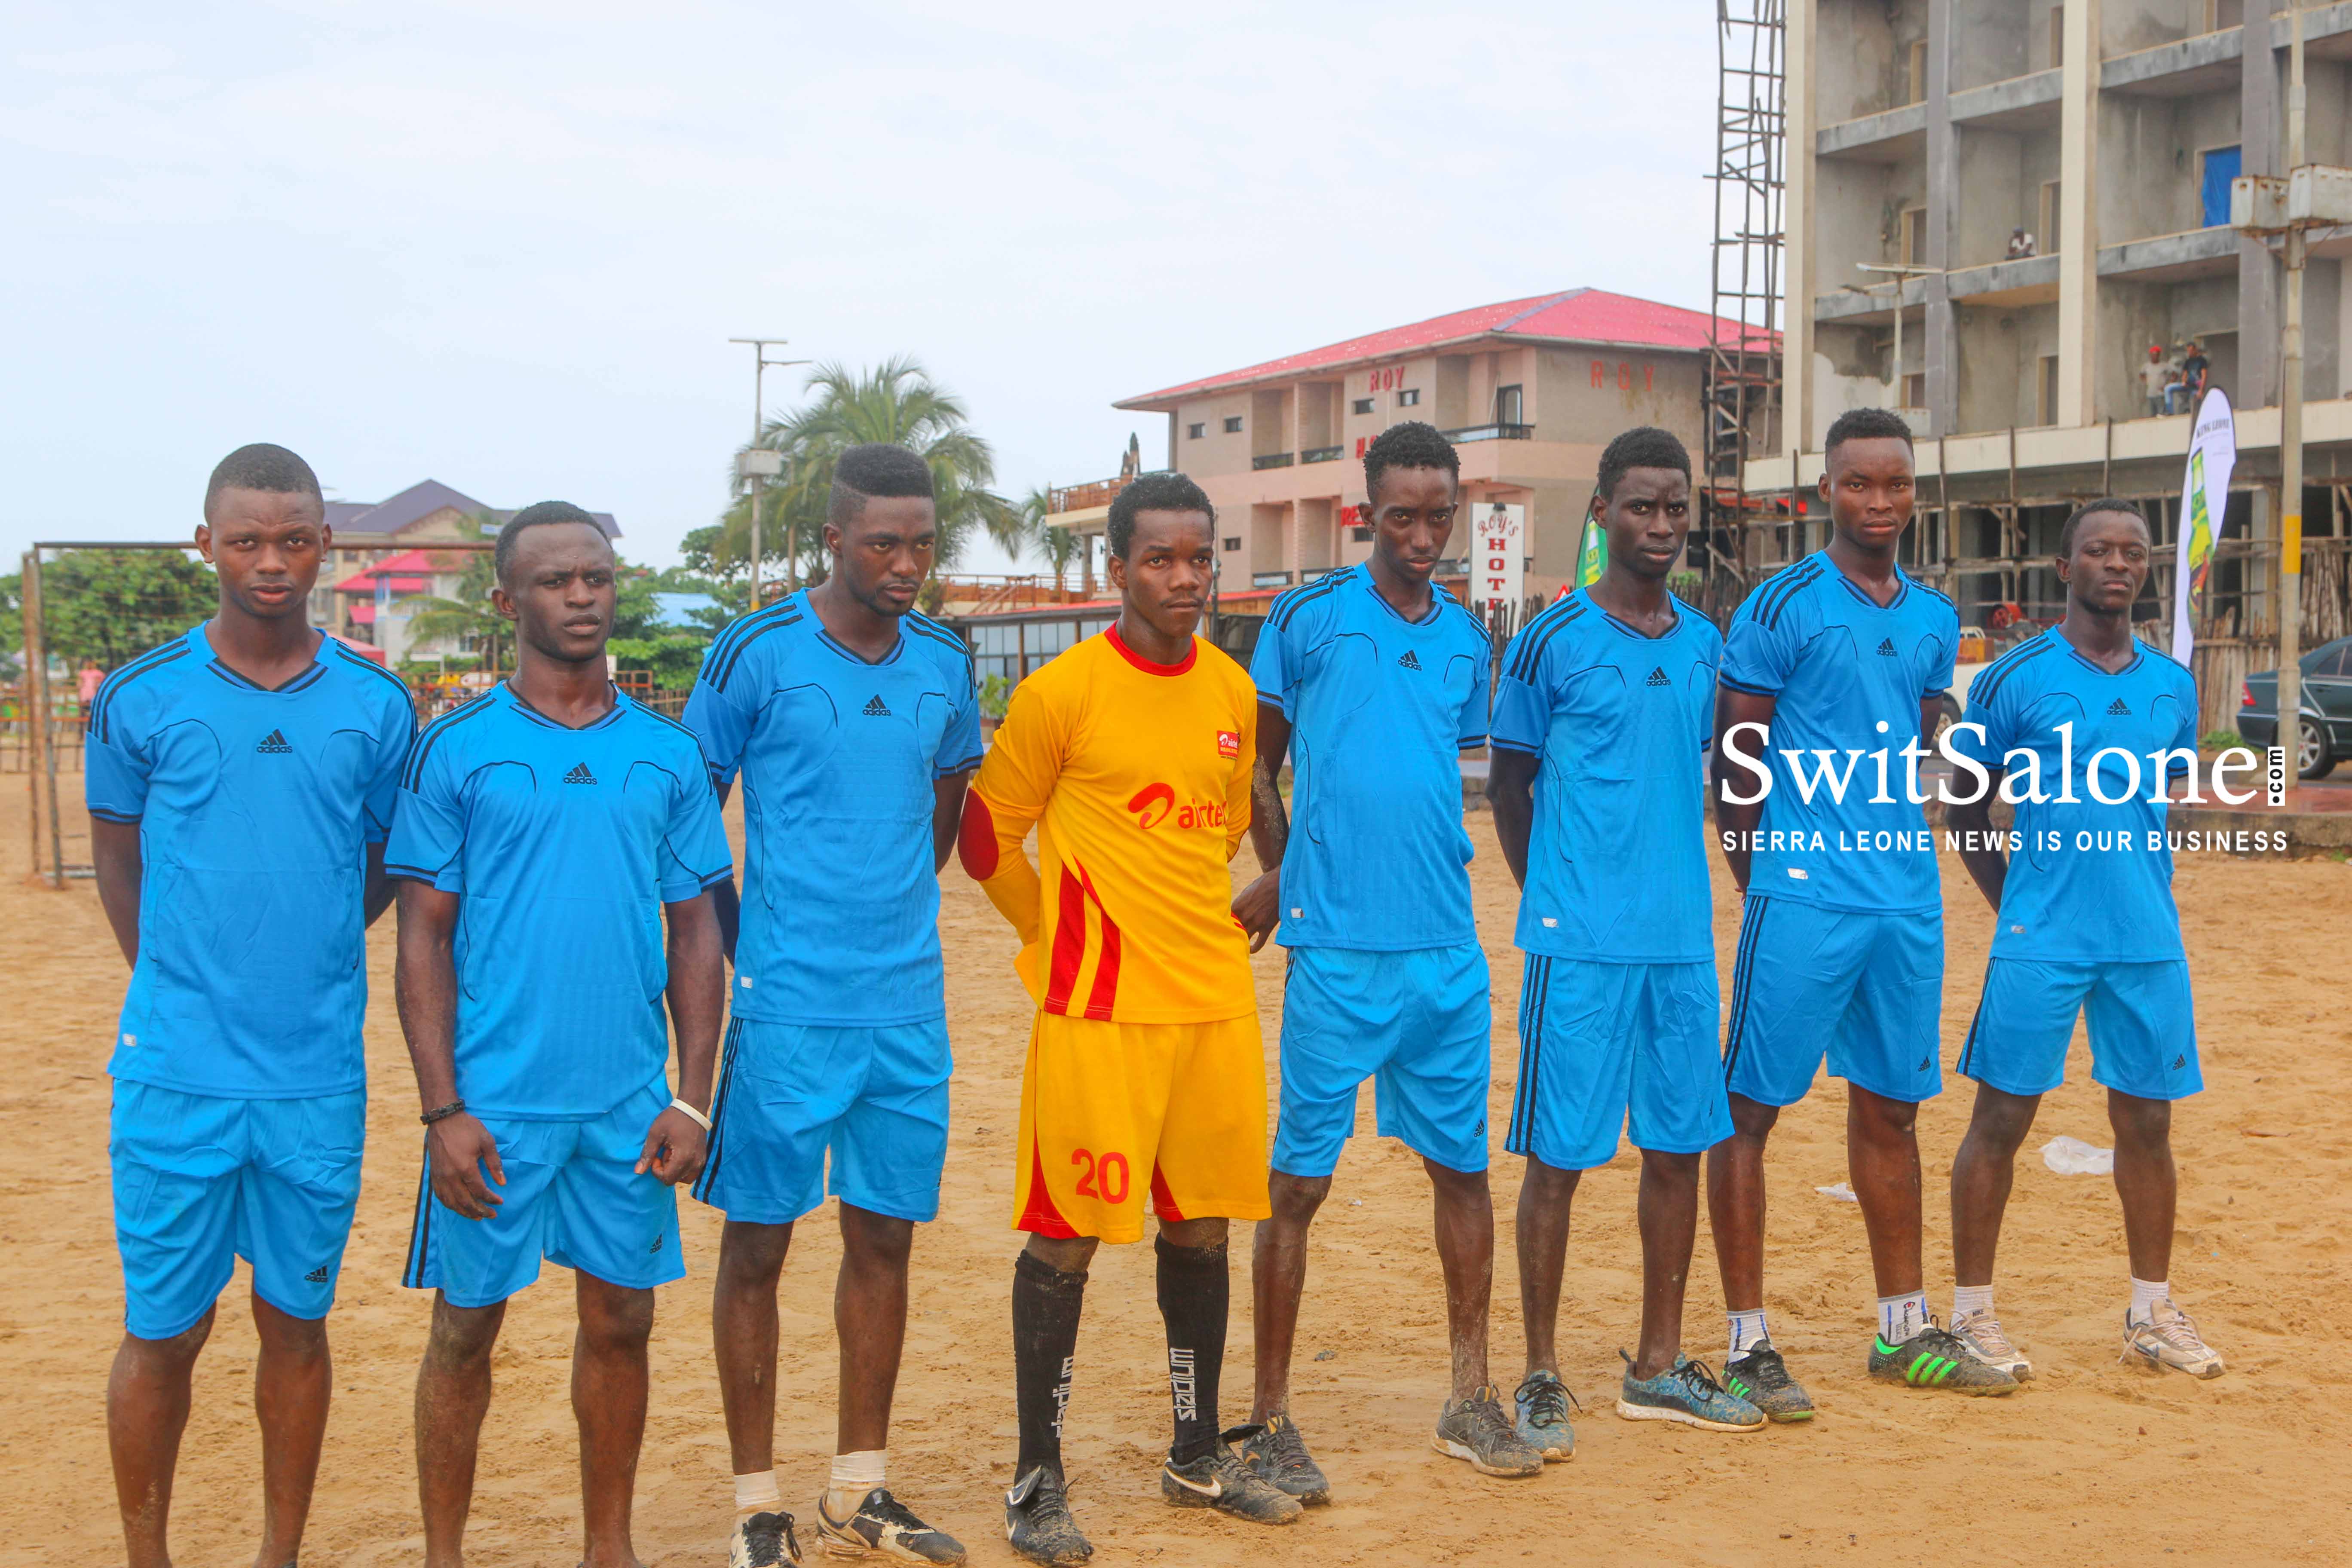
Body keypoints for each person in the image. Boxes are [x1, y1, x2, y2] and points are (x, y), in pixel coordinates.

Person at [960, 471, 1298, 1565]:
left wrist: (1271, 884)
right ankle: (1034, 1479)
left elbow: (1246, 817)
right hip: (1098, 1013)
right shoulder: (1062, 692)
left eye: (1199, 558)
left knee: (1202, 1228)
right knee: (1063, 1241)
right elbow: (982, 838)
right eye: (1158, 558)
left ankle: (1194, 1454)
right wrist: (1048, 940)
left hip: (1212, 1007)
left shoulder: (1230, 693)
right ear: (1115, 570)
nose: (1184, 578)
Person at [87, 442, 414, 1568]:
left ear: (324, 544)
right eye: (246, 540)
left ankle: (279, 1555)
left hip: (315, 1078)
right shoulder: (141, 697)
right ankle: (149, 1557)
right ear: (206, 546)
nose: (270, 562)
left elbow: (383, 864)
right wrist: (175, 972)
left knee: (298, 1325)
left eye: (292, 539)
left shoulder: (376, 705)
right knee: (163, 1334)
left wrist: (315, 945)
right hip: (176, 1073)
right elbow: (119, 858)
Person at [387, 502, 730, 1568]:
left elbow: (698, 939)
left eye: (595, 576)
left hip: (626, 1106)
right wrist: (443, 1108)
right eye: (553, 580)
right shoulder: (457, 750)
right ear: (507, 602)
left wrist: (691, 1096)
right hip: (494, 1107)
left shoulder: (665, 758)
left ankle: (608, 1548)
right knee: (463, 1329)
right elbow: (421, 945)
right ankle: (446, 1554)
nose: (580, 595)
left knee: (622, 1324)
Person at [1234, 420, 1539, 1498]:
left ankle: (1470, 1396)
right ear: (1366, 512)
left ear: (1455, 511)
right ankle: (1269, 1416)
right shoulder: (1304, 620)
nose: (1419, 534)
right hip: (1334, 955)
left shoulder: (1465, 641)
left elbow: (1436, 765)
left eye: (1436, 514)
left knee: (1460, 1172)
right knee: (1295, 1186)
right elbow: (1256, 775)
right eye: (1400, 515)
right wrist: (1283, 880)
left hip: (1443, 953)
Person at [687, 444, 979, 1566]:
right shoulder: (755, 653)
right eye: (882, 544)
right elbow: (687, 815)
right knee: (759, 1249)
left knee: (884, 1240)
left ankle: (861, 1488)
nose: (906, 564)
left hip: (905, 1009)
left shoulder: (944, 664)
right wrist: (741, 942)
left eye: (921, 543)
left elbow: (947, 804)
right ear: (833, 540)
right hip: (785, 1011)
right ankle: (757, 1503)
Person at [1708, 407, 2016, 1406]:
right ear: (1823, 490)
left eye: (1892, 485)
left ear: (1910, 492)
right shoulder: (1779, 603)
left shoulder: (1931, 617)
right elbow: (1734, 758)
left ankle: (1901, 1332)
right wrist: (1758, 876)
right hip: (1802, 895)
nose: (1875, 502)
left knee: (1891, 1109)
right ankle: (1748, 1341)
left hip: (1902, 897)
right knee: (1748, 1111)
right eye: (1856, 484)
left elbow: (1928, 726)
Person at [1489, 428, 1764, 1443]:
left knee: (1678, 1148)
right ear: (1600, 509)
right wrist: (1554, 896)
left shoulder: (1703, 644)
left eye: (1674, 509)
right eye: (1640, 506)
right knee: (1555, 1160)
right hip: (1577, 945)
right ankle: (1539, 1371)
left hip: (1679, 944)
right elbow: (1510, 785)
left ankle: (1656, 1363)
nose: (1659, 525)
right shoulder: (1548, 641)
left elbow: (1720, 771)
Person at [1943, 499, 2226, 1382]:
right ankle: (1971, 1316)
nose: (2118, 564)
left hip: (2146, 937)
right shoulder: (2011, 679)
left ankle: (2151, 1311)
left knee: (2147, 1121)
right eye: (2098, 551)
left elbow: (2157, 801)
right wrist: (2017, 906)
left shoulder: (2173, 686)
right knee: (2001, 1120)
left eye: (2133, 553)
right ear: (2063, 569)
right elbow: (1964, 810)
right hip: (2043, 938)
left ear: (2148, 569)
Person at [2141, 343, 2173, 419]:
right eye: (2153, 355)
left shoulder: (2164, 365)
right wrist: (2147, 382)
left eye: (2156, 355)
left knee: (2161, 413)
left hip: (2160, 394)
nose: (2155, 356)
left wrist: (2168, 385)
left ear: (2159, 355)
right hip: (2150, 394)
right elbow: (2142, 375)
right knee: (2153, 414)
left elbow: (2174, 375)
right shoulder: (2147, 366)